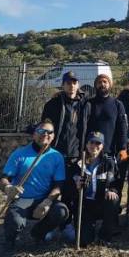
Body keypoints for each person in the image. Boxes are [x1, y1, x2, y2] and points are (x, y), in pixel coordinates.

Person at [0, 120, 69, 251]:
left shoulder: (57, 157)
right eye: (41, 131)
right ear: (34, 134)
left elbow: (58, 185)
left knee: (61, 211)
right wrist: (8, 188)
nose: (45, 134)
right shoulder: (20, 154)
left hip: (43, 199)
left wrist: (48, 201)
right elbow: (3, 179)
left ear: (53, 136)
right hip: (23, 199)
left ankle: (38, 233)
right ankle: (10, 240)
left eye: (49, 132)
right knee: (14, 220)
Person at [40, 70, 85, 239]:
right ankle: (49, 225)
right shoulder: (53, 104)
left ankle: (66, 224)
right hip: (55, 155)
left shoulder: (84, 104)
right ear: (63, 84)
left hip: (75, 155)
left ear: (78, 85)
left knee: (70, 192)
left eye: (74, 82)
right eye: (68, 83)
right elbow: (45, 127)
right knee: (51, 190)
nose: (71, 85)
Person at [71, 132, 120, 247]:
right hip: (84, 205)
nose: (94, 146)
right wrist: (76, 186)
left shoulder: (109, 163)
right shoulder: (77, 164)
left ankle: (105, 235)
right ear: (86, 144)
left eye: (98, 143)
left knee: (113, 200)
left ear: (102, 146)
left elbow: (116, 182)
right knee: (85, 241)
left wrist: (112, 190)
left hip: (101, 202)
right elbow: (68, 188)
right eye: (91, 142)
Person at [80, 74, 128, 160]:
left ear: (110, 85)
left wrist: (123, 148)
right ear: (95, 85)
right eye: (99, 82)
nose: (102, 84)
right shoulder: (88, 104)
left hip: (110, 153)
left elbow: (122, 128)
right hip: (90, 152)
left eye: (105, 82)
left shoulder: (117, 105)